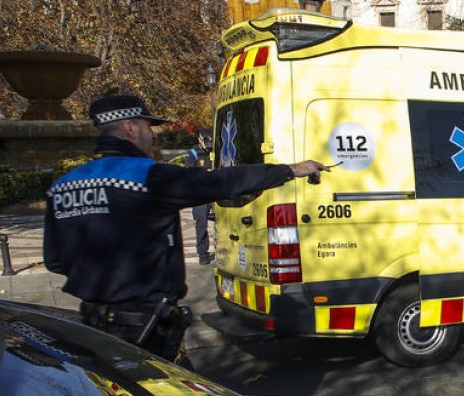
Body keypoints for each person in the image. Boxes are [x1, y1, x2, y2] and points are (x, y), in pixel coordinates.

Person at [43, 94, 329, 364]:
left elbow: (55, 261)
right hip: (144, 325)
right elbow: (221, 182)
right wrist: (289, 170)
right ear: (130, 128)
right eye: (148, 127)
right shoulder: (147, 177)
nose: (152, 135)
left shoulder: (62, 186)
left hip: (93, 322)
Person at [185, 133, 213, 264]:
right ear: (200, 139)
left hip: (215, 191)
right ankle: (203, 254)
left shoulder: (214, 151)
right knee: (201, 224)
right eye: (206, 142)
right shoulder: (193, 153)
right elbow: (189, 174)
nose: (208, 146)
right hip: (200, 194)